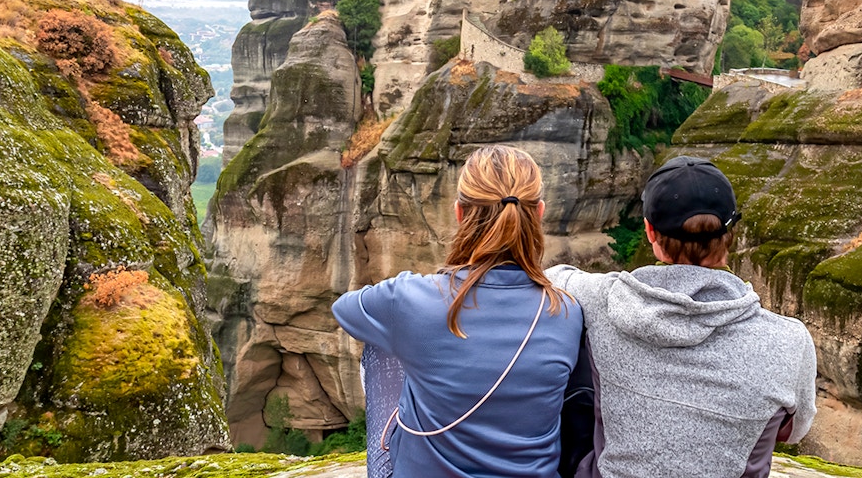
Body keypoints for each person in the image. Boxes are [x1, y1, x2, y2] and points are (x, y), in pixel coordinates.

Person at [548, 156, 818, 478]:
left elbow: (552, 277)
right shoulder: (789, 340)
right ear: (731, 233)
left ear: (649, 231)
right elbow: (793, 432)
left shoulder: (603, 300)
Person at [333, 145, 583, 478]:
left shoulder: (409, 298)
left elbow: (344, 309)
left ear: (460, 213)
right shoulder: (566, 312)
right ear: (538, 213)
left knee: (383, 338)